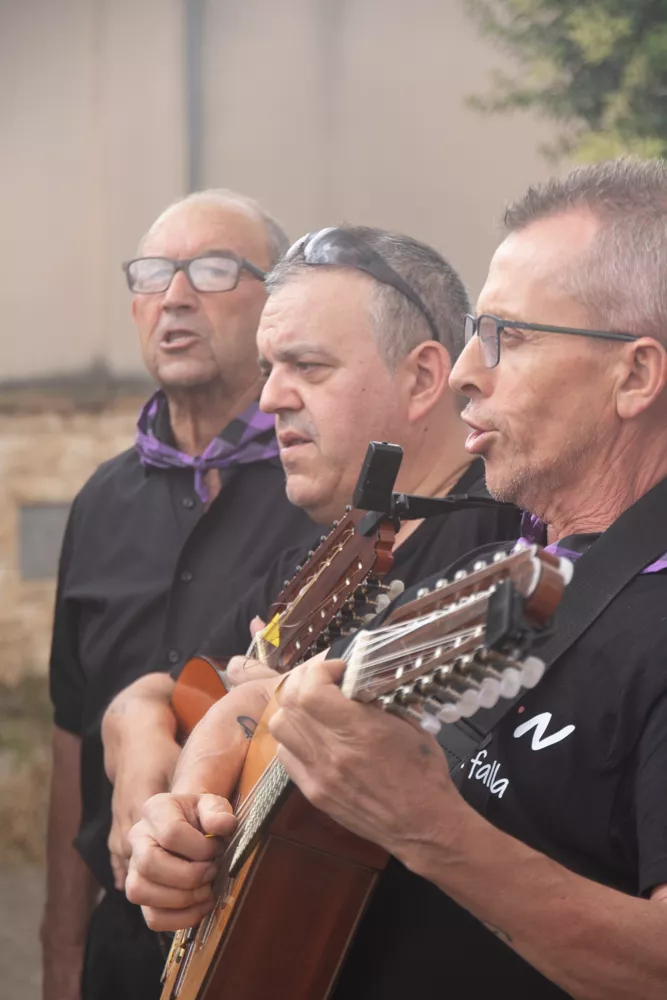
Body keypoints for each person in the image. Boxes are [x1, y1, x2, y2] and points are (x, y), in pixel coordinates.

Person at [127, 159, 667, 999]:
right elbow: (262, 699)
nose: (462, 373)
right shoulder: (520, 572)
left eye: (507, 337)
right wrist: (189, 818)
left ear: (634, 375)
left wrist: (427, 827)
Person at [103, 224, 521, 889]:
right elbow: (185, 682)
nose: (269, 398)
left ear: (420, 378)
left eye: (307, 367)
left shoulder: (515, 547)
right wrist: (135, 729)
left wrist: (252, 713)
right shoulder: (333, 556)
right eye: (270, 370)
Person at [42, 189, 320, 1000]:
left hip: (266, 939)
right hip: (119, 954)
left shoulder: (325, 491)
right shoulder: (99, 503)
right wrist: (61, 948)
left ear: (278, 304)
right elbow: (71, 741)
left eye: (212, 270)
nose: (176, 296)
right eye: (155, 275)